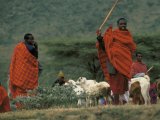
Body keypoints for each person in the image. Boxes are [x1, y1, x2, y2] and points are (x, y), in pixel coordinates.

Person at [96, 18, 136, 105]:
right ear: (118, 25)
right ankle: (116, 103)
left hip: (125, 64)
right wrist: (100, 39)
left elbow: (131, 49)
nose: (123, 25)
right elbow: (105, 48)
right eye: (121, 24)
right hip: (114, 64)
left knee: (123, 84)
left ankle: (124, 103)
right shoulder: (112, 35)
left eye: (124, 24)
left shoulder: (128, 35)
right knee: (115, 85)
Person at [9, 33, 40, 100]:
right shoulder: (31, 48)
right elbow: (36, 58)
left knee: (19, 90)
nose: (32, 40)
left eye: (33, 39)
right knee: (29, 88)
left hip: (19, 73)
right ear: (26, 40)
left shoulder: (18, 46)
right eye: (30, 39)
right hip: (27, 72)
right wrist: (36, 47)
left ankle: (19, 103)